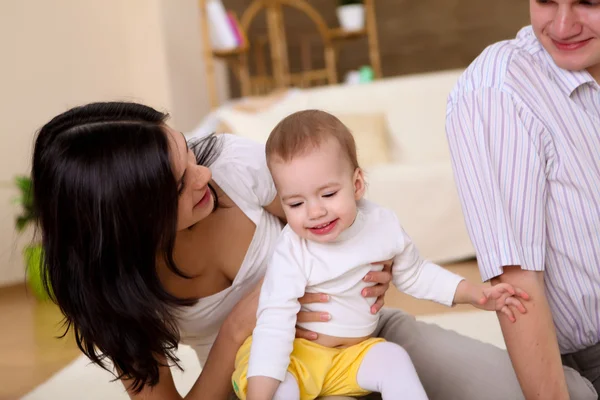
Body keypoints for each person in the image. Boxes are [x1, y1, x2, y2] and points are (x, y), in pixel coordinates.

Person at [32, 101, 592, 400]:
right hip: (268, 379)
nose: (203, 174)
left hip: (366, 336)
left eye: (187, 154)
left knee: (563, 393)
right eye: (180, 182)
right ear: (130, 219)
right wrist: (232, 336)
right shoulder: (106, 296)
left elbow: (336, 208)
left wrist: (379, 264)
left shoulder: (231, 166)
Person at [232, 110, 530, 400]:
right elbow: (274, 323)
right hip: (297, 359)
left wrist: (474, 293)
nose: (315, 212)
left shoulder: (381, 226)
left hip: (351, 357)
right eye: (296, 204)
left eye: (328, 194)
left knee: (392, 357)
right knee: (280, 388)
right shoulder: (292, 249)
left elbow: (416, 273)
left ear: (357, 184)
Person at [445, 1, 600, 399]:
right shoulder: (500, 90)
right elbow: (516, 281)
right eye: (546, 0)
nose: (563, 25)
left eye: (589, 2)